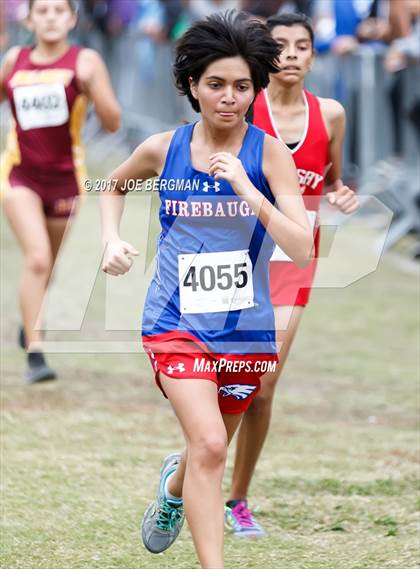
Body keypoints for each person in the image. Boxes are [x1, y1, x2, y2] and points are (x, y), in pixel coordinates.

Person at [100, 11, 313, 568]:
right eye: (215, 84)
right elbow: (108, 184)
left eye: (241, 86)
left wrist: (248, 188)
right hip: (174, 322)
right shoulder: (163, 149)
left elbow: (304, 249)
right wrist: (109, 239)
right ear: (192, 86)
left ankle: (173, 489)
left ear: (255, 89)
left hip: (246, 330)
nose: (228, 97)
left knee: (209, 447)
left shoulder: (269, 157)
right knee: (212, 445)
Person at [225, 13, 359, 538]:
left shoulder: (332, 114)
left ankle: (237, 500)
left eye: (303, 46)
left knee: (262, 383)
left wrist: (340, 194)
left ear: (312, 55)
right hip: (234, 258)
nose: (292, 54)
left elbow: (331, 181)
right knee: (222, 379)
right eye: (280, 46)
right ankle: (195, 466)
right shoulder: (243, 107)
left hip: (292, 263)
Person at [0, 0, 121, 383]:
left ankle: (29, 320)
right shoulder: (14, 59)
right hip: (19, 176)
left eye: (58, 11)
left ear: (71, 19)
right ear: (30, 18)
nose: (50, 17)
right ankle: (36, 355)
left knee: (48, 266)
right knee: (36, 258)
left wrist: (91, 88)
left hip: (67, 180)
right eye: (43, 11)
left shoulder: (84, 61)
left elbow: (113, 123)